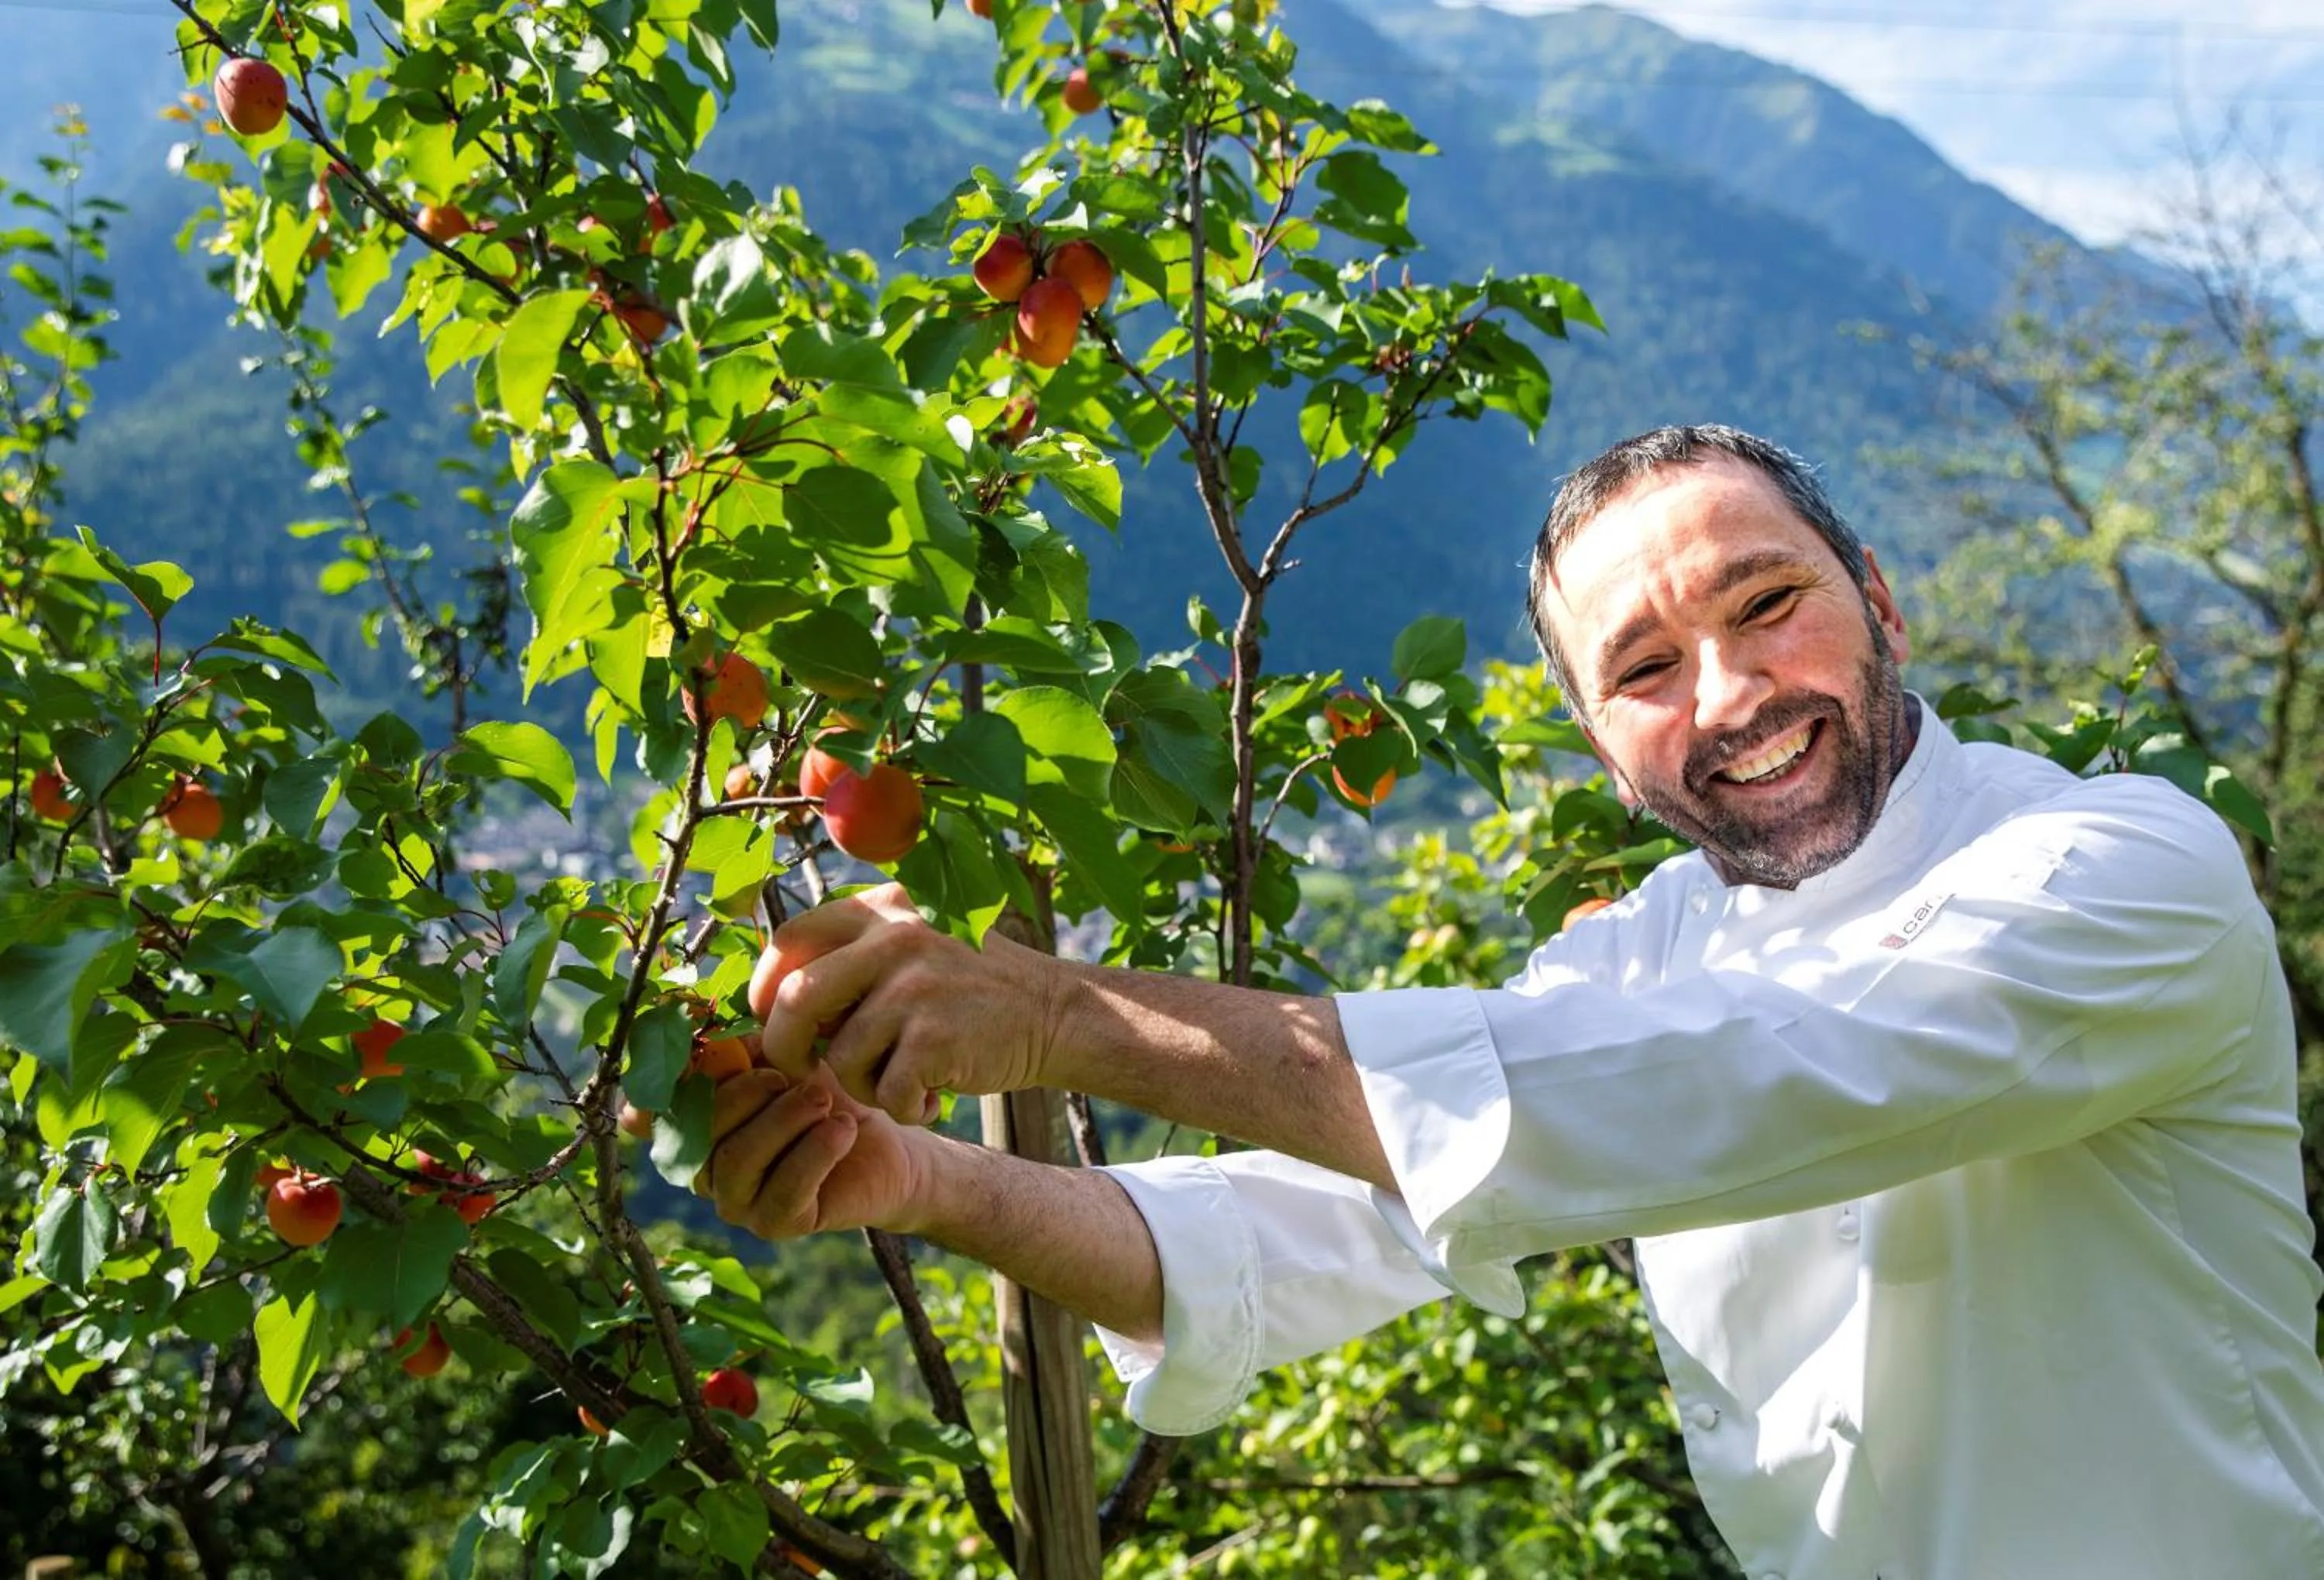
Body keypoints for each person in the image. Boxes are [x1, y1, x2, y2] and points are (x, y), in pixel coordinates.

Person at [700, 425, 2324, 1578]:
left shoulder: (2130, 869)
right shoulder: (1640, 962)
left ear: (1882, 601)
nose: (1731, 694)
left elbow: (1748, 1080)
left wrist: (1057, 1015)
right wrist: (924, 1183)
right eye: (1641, 670)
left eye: (1769, 603)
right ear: (1604, 755)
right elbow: (1285, 1236)